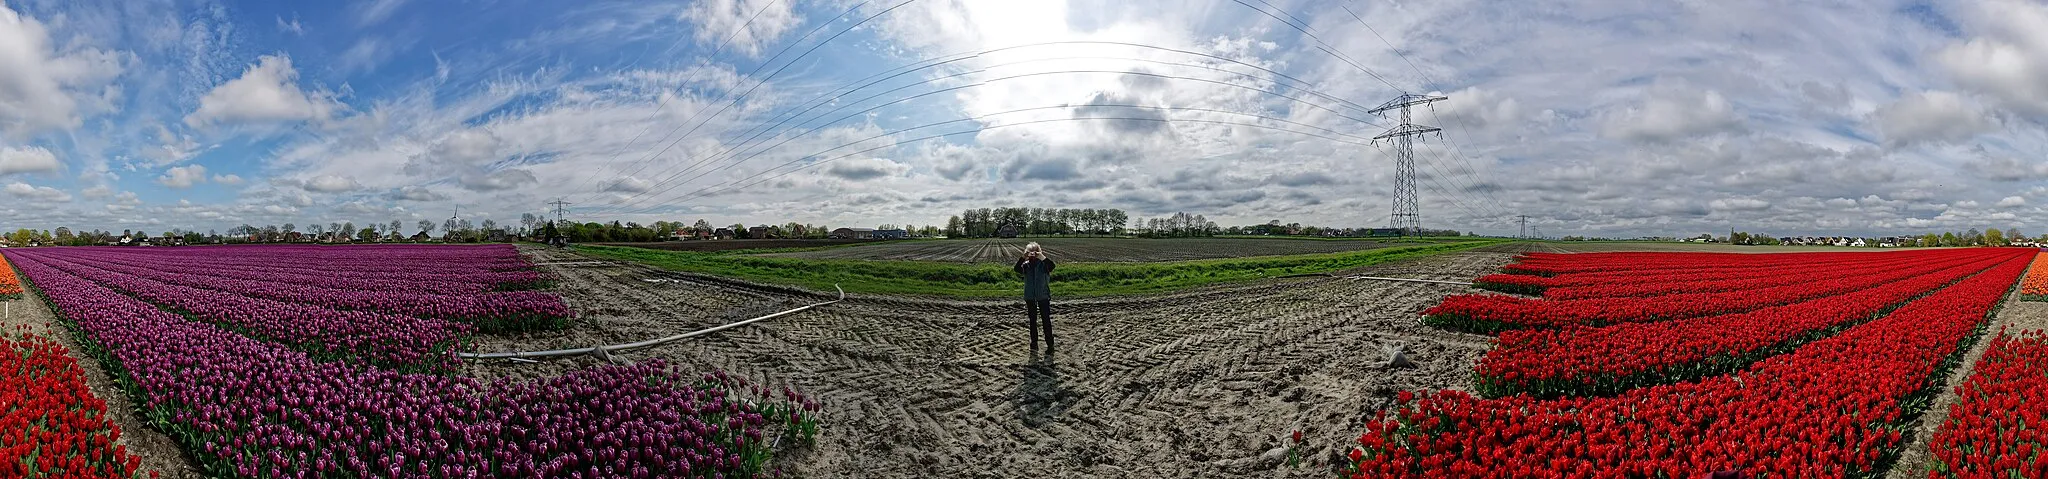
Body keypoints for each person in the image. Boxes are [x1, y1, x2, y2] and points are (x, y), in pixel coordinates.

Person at [1013, 242, 1055, 352]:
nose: (1033, 254)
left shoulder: (1043, 264)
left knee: (1046, 320)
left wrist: (1041, 256)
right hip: (1030, 296)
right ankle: (1034, 342)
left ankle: (1050, 343)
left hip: (1043, 296)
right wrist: (1023, 257)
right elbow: (1016, 269)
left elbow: (1052, 266)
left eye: (1034, 252)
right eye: (1030, 252)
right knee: (1032, 320)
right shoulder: (1026, 265)